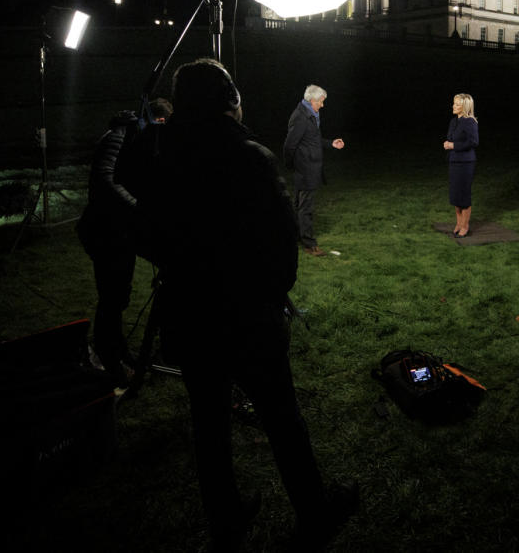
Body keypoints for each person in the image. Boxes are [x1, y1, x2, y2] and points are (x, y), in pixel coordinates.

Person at [137, 59, 355, 551]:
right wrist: (271, 295)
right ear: (230, 98)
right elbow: (283, 243)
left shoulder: (161, 155)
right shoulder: (248, 157)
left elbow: (147, 231)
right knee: (281, 416)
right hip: (247, 315)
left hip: (191, 314)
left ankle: (226, 518)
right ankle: (314, 511)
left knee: (208, 424)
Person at [76, 97, 172, 386]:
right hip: (104, 229)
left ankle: (118, 350)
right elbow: (107, 181)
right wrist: (139, 208)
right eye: (162, 125)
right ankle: (109, 357)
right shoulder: (118, 138)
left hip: (120, 230)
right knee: (111, 295)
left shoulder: (133, 138)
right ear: (153, 119)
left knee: (120, 293)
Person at [283, 84, 344, 256]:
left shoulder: (311, 114)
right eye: (321, 102)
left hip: (308, 168)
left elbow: (313, 139)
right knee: (305, 208)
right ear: (312, 100)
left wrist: (331, 143)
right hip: (305, 169)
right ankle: (309, 244)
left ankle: (295, 237)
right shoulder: (301, 118)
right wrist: (293, 166)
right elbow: (289, 145)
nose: (323, 105)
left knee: (298, 205)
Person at [442, 93, 478, 238]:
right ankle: (458, 223)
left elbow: (473, 142)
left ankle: (465, 225)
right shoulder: (453, 121)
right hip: (454, 161)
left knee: (463, 195)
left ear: (465, 106)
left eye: (457, 104)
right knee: (455, 194)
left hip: (466, 163)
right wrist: (448, 144)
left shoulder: (470, 122)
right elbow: (451, 138)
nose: (453, 106)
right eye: (454, 103)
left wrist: (453, 145)